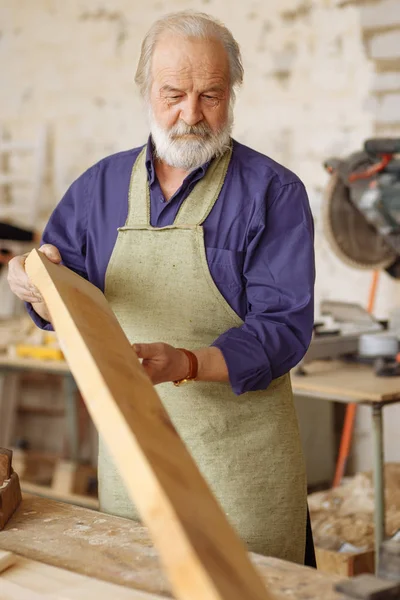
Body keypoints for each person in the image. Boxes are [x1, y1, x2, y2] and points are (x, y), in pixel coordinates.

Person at [7, 11, 316, 565]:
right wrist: (29, 284)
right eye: (173, 93)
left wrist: (187, 364)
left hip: (241, 475)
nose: (191, 115)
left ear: (233, 92)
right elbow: (62, 297)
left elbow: (283, 329)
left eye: (211, 96)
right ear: (145, 89)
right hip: (135, 467)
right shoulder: (96, 190)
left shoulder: (273, 192)